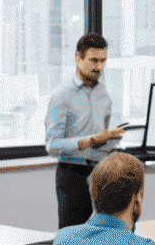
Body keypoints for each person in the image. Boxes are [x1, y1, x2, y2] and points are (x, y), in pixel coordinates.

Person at [45, 32, 126, 228]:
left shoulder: (104, 94)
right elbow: (51, 145)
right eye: (93, 60)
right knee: (74, 236)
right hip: (73, 174)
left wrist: (111, 140)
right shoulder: (61, 96)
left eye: (103, 60)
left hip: (102, 173)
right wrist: (90, 141)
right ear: (78, 58)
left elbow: (103, 133)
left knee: (105, 235)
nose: (99, 67)